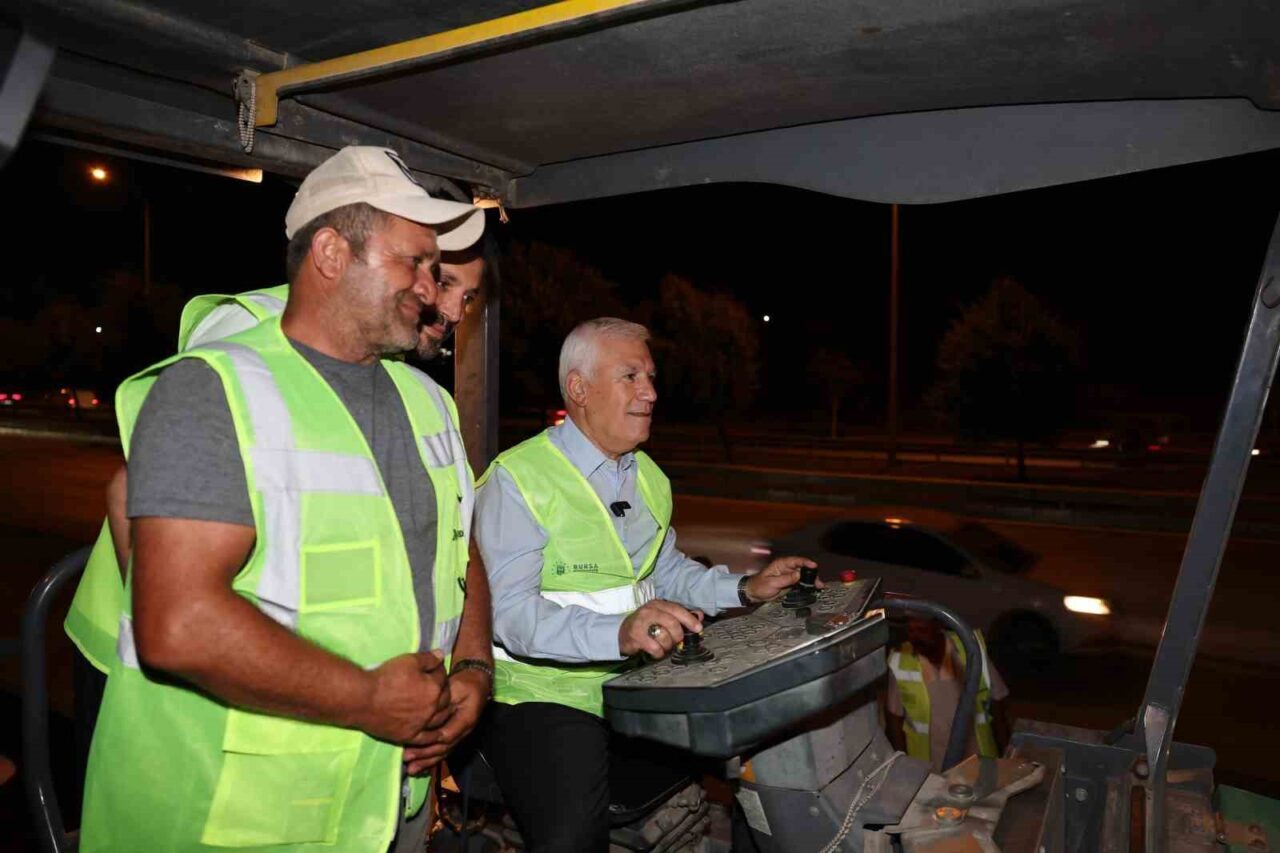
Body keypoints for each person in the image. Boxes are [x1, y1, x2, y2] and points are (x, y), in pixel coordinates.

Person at [78, 145, 491, 853]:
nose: (430, 290)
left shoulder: (426, 400)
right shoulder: (212, 389)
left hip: (389, 794)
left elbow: (459, 539)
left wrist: (475, 671)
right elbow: (177, 622)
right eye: (412, 263)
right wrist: (370, 699)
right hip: (242, 816)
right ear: (330, 253)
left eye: (435, 268)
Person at [473, 317, 817, 851]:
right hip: (540, 698)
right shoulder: (519, 480)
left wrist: (746, 589)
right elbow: (509, 615)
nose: (650, 393)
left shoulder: (648, 477)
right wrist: (620, 633)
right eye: (630, 376)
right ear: (579, 390)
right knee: (572, 838)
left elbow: (663, 571)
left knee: (748, 765)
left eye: (651, 377)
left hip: (630, 685)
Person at [884, 615, 1011, 772]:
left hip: (978, 760)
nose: (915, 637)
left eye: (922, 630)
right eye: (910, 631)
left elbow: (998, 701)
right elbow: (894, 720)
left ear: (938, 627)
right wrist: (903, 766)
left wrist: (1007, 754)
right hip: (931, 767)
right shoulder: (900, 660)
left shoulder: (970, 649)